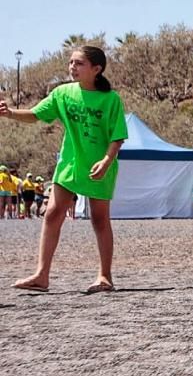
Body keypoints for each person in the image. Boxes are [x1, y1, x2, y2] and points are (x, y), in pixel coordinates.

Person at [0, 45, 127, 292]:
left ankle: (105, 276)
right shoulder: (62, 93)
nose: (72, 67)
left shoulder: (110, 99)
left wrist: (107, 160)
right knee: (52, 214)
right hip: (69, 164)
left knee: (100, 219)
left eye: (79, 63)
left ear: (96, 69)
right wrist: (10, 113)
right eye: (70, 62)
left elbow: (118, 136)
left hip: (100, 164)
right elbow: (37, 114)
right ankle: (41, 275)